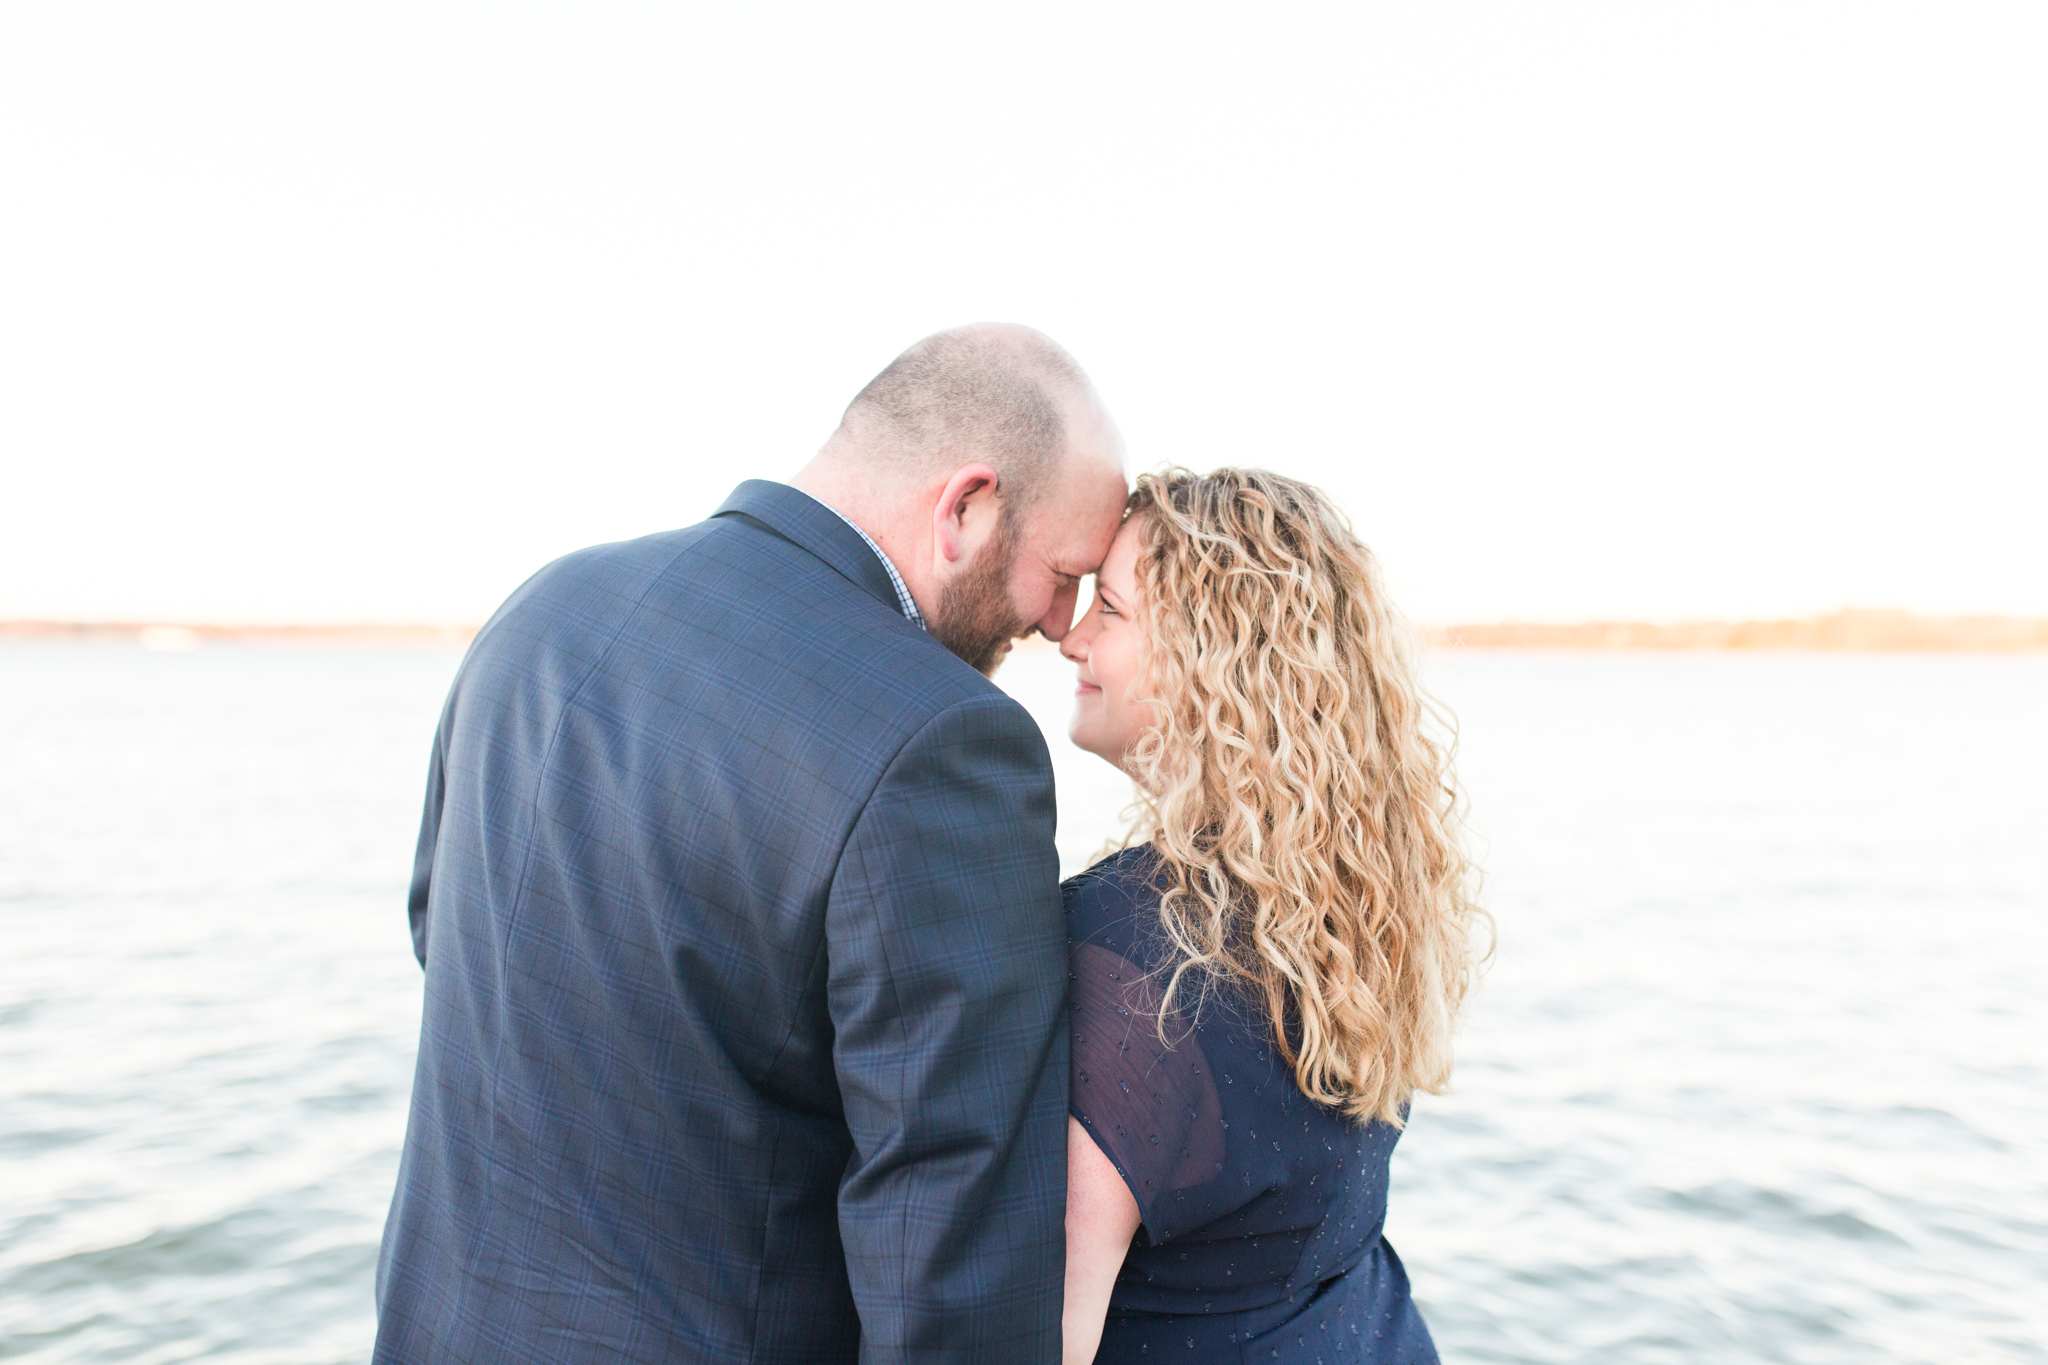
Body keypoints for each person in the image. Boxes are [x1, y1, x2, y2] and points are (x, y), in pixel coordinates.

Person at [374, 324, 1129, 1363]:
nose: (1059, 622)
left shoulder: (544, 609)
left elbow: (444, 934)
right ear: (966, 506)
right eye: (1063, 572)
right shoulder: (942, 736)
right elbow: (948, 1241)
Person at [1055, 469, 1485, 1364]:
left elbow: (1042, 1335)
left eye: (1113, 610)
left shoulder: (1125, 955)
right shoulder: (1354, 900)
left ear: (1212, 663)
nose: (1069, 634)